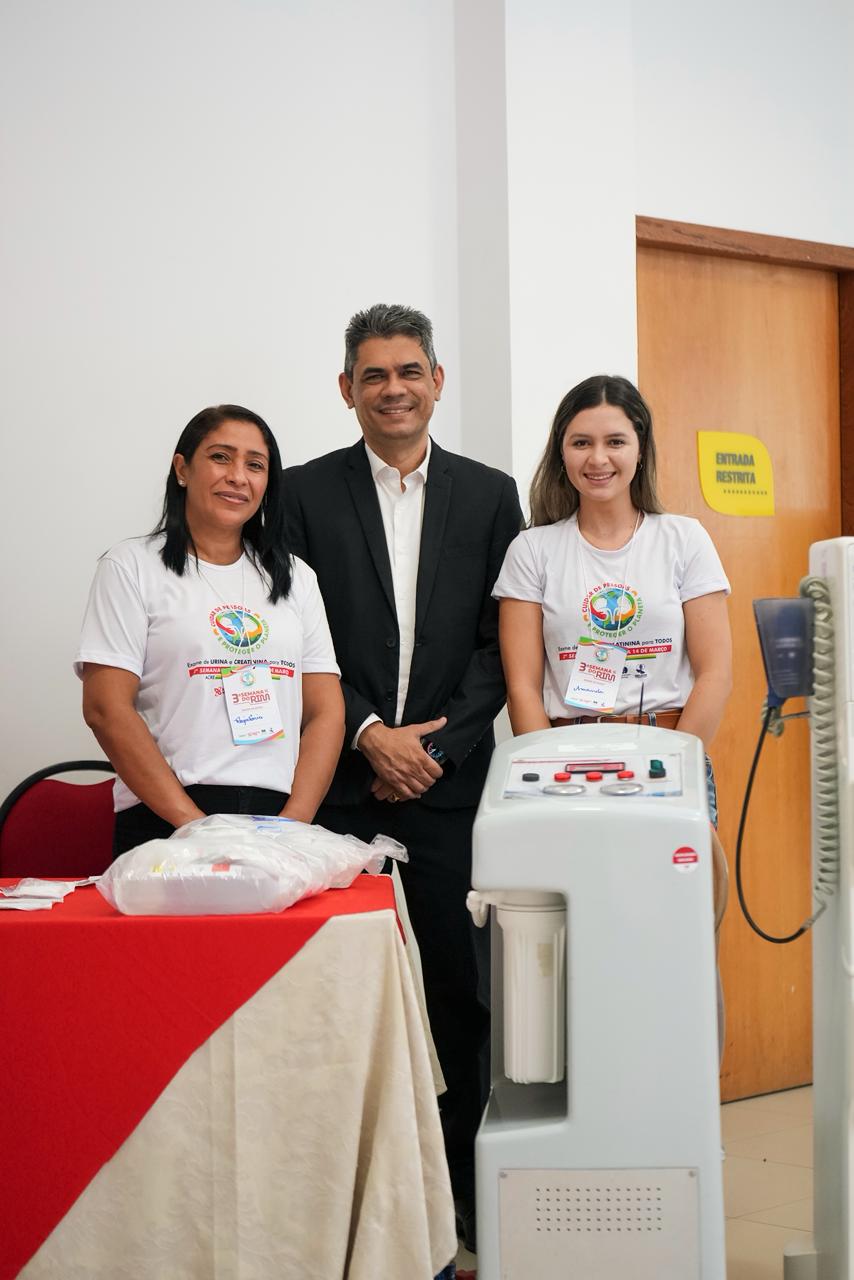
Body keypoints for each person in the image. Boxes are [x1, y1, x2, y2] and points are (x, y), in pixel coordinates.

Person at [282, 304, 523, 1252]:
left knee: (458, 996)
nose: (394, 389)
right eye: (374, 375)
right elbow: (292, 635)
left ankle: (457, 1200)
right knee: (337, 997)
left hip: (450, 792)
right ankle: (346, 1206)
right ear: (347, 389)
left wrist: (431, 751)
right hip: (336, 790)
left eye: (409, 371)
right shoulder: (299, 494)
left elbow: (501, 646)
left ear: (437, 381)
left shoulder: (491, 495)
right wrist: (369, 736)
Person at [76, 404, 344, 854]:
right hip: (166, 816)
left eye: (255, 465)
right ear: (182, 469)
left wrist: (293, 824)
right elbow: (105, 708)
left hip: (276, 820)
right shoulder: (130, 567)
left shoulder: (297, 578)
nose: (238, 477)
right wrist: (193, 824)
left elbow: (326, 712)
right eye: (221, 457)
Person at [493, 374, 732, 819]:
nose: (598, 458)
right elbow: (521, 687)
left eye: (615, 442)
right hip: (565, 764)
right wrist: (547, 771)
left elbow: (715, 673)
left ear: (640, 450)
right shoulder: (532, 550)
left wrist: (675, 765)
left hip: (668, 753)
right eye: (581, 443)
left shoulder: (684, 539)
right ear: (561, 452)